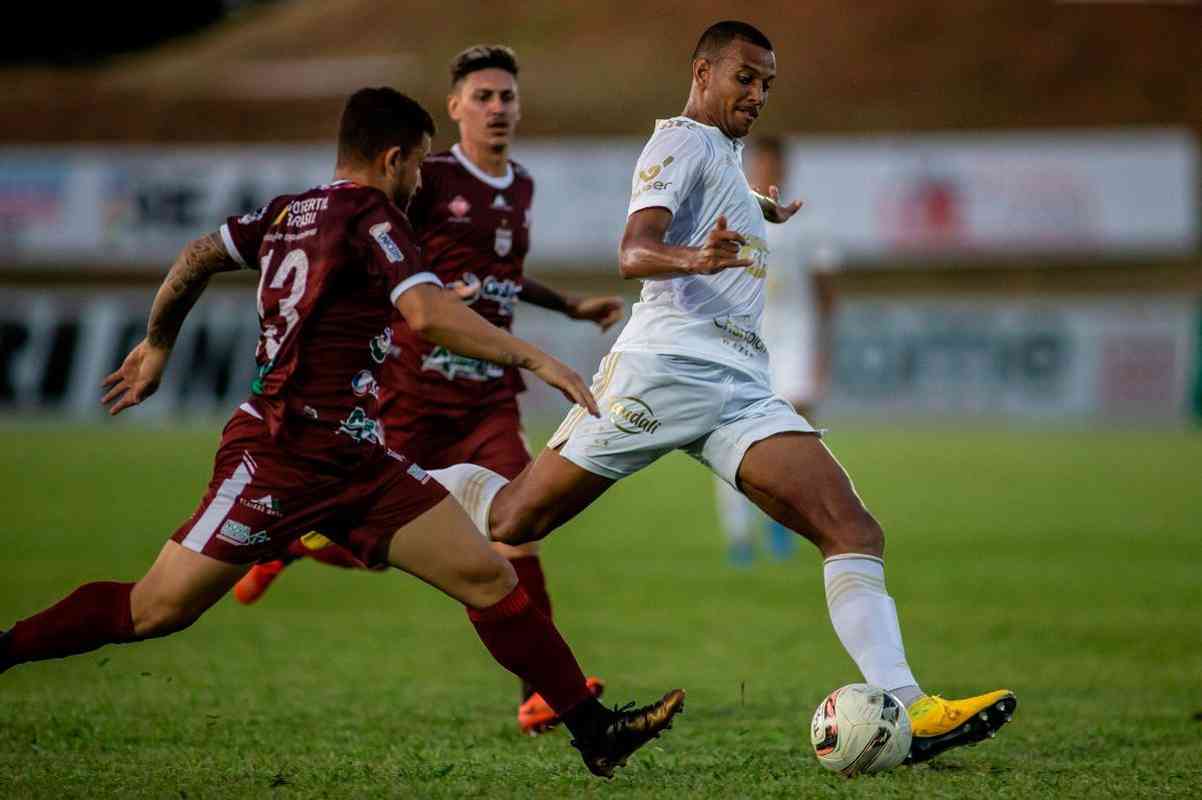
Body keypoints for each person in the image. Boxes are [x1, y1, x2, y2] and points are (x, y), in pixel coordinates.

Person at [0, 87, 682, 780]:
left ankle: (594, 733)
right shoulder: (372, 212)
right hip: (281, 454)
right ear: (392, 160)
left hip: (357, 457)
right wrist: (537, 358)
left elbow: (201, 252)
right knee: (156, 609)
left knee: (488, 575)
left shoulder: (288, 210)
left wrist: (157, 342)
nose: (421, 179)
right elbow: (425, 314)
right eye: (417, 164)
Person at [427, 22, 1016, 765]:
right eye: (745, 78)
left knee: (853, 527)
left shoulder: (722, 156)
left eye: (767, 83)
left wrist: (753, 214)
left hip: (739, 386)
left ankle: (912, 705)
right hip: (663, 371)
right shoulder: (676, 142)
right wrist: (692, 255)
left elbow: (713, 213)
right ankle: (387, 488)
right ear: (703, 72)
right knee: (514, 517)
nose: (757, 95)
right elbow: (633, 250)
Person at [230, 46, 622, 735]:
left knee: (517, 528)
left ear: (519, 106)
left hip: (489, 398)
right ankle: (289, 545)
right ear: (455, 108)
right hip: (412, 388)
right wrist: (440, 296)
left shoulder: (521, 184)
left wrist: (568, 306)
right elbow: (386, 260)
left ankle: (538, 695)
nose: (497, 108)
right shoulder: (427, 175)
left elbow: (503, 277)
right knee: (376, 544)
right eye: (483, 97)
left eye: (506, 96)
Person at [714, 136, 837, 565]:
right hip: (745, 339)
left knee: (795, 433)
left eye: (775, 165)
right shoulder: (730, 217)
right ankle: (739, 535)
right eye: (761, 164)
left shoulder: (807, 221)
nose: (769, 171)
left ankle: (782, 522)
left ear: (785, 168)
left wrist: (824, 346)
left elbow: (826, 291)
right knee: (733, 436)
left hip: (797, 336)